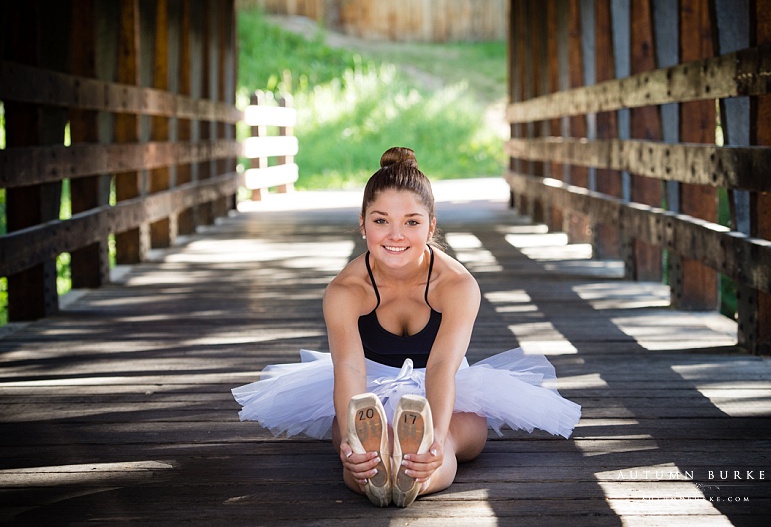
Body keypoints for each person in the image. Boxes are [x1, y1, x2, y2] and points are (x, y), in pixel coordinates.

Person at [232, 147, 581, 508]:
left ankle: (415, 475)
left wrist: (435, 434)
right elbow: (349, 366)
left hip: (447, 389)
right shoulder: (345, 291)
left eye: (411, 222)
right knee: (355, 451)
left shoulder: (457, 286)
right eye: (381, 221)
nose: (395, 235)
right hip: (367, 389)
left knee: (454, 440)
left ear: (431, 225)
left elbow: (444, 366)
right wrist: (352, 437)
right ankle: (373, 468)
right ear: (363, 222)